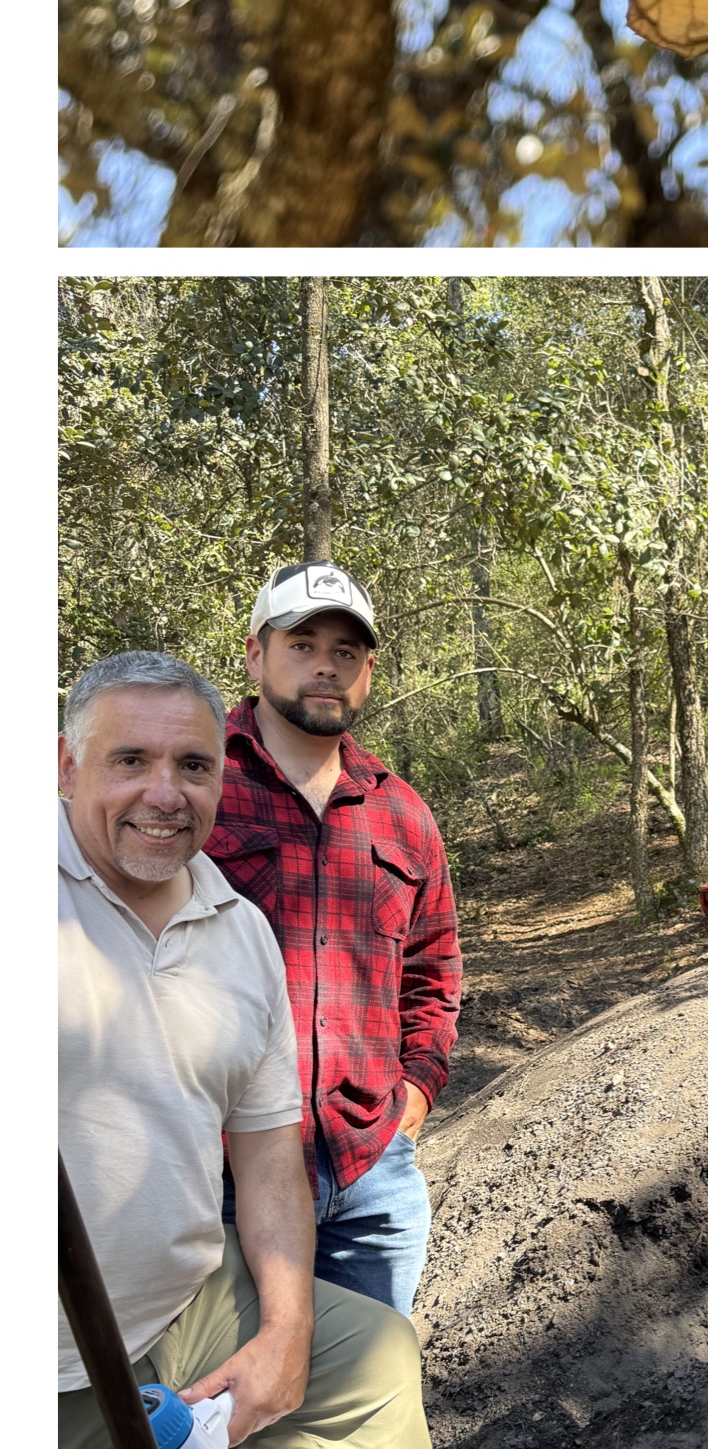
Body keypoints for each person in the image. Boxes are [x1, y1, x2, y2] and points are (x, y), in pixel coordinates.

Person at [58, 650, 445, 1449]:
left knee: (370, 1358)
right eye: (129, 760)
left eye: (191, 766)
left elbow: (269, 1151)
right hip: (45, 1363)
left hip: (183, 1303)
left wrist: (283, 1328)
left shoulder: (238, 931)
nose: (164, 792)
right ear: (64, 767)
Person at [207, 564, 461, 1323]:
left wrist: (414, 1091)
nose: (326, 664)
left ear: (368, 671)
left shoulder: (401, 813)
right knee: (235, 1427)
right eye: (303, 643)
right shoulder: (195, 783)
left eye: (346, 651)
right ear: (255, 655)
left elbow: (434, 968)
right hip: (217, 1175)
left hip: (370, 1172)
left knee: (362, 1416)